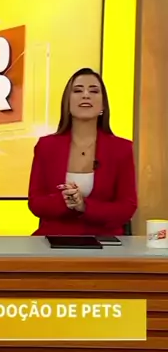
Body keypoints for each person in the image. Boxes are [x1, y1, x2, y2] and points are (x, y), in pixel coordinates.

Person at [28, 67, 137, 236]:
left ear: (103, 105)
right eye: (78, 90)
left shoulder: (122, 149)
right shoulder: (46, 146)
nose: (86, 95)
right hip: (53, 239)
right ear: (67, 102)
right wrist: (63, 200)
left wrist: (84, 206)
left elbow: (126, 207)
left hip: (105, 242)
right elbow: (35, 203)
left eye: (94, 91)